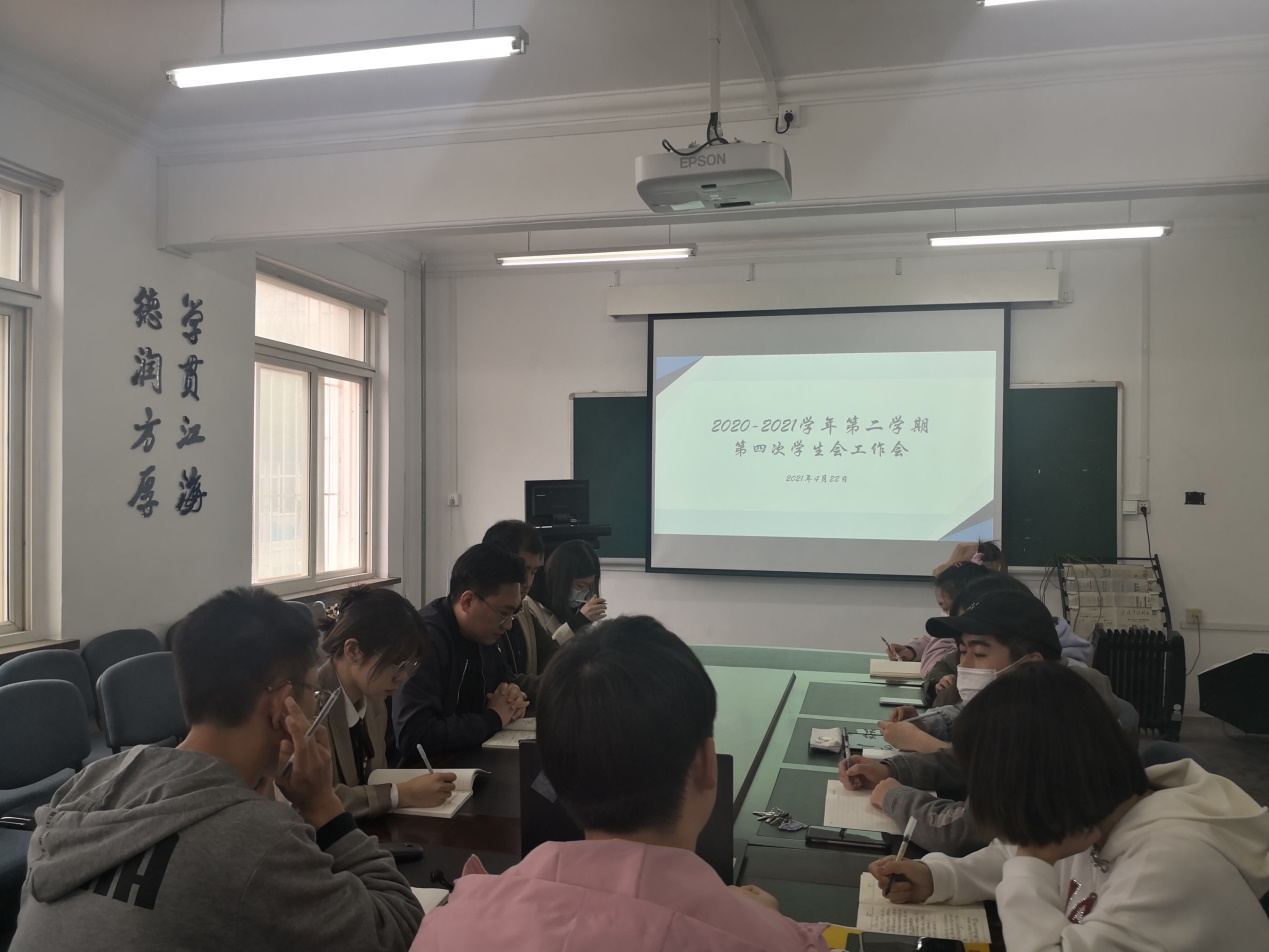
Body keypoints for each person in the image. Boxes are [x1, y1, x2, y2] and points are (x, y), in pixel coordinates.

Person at [10, 587, 423, 952]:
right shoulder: (258, 841)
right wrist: (324, 808)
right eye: (313, 691)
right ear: (282, 706)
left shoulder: (87, 785)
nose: (315, 705)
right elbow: (397, 928)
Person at [409, 615, 830, 951]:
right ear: (707, 764)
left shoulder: (447, 929)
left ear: (553, 773)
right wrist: (762, 923)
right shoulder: (772, 942)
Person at [869, 663, 1269, 952]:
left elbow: (1025, 857)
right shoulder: (1095, 811)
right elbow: (1009, 854)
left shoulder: (1167, 865)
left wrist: (1031, 862)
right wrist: (939, 877)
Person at [844, 584, 1122, 855]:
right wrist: (891, 769)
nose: (963, 666)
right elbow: (973, 761)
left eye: (978, 653)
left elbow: (960, 832)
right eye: (963, 651)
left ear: (1029, 664)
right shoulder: (1024, 707)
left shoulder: (1055, 726)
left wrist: (893, 796)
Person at [317, 586, 456, 818]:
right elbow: (314, 800)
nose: (403, 677)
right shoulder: (310, 705)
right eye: (397, 664)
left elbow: (375, 777)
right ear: (353, 651)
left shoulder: (374, 699)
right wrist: (400, 794)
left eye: (411, 666)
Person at [392, 544, 530, 757]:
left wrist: (513, 696)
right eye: (504, 613)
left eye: (513, 613)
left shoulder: (482, 633)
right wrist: (493, 718)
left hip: (470, 756)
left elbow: (505, 681)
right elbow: (414, 735)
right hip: (424, 770)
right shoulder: (424, 641)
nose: (509, 625)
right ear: (467, 601)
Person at [888, 560, 992, 705]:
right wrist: (912, 650)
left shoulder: (973, 640)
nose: (946, 614)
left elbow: (938, 658)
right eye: (943, 608)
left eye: (948, 608)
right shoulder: (955, 642)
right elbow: (938, 642)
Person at [481, 519, 556, 695]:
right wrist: (562, 683)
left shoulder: (524, 611)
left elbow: (553, 654)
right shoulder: (481, 617)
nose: (528, 582)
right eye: (523, 570)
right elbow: (501, 682)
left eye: (534, 572)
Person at [537, 539, 607, 646]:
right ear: (562, 580)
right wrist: (579, 621)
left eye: (589, 586)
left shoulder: (577, 607)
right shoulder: (533, 606)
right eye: (580, 586)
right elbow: (548, 650)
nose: (585, 592)